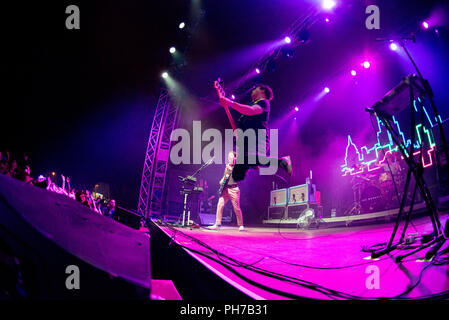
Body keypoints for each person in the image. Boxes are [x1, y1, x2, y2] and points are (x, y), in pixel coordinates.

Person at [214, 82, 292, 181]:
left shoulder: (263, 102)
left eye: (256, 89)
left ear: (263, 91)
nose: (253, 90)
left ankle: (282, 162)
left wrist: (230, 103)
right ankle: (255, 160)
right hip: (247, 143)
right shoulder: (251, 104)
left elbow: (251, 111)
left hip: (258, 140)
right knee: (237, 174)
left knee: (248, 159)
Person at [208, 151, 245, 231]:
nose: (229, 158)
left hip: (234, 189)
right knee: (220, 205)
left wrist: (231, 170)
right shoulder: (227, 166)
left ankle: (240, 224)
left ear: (235, 158)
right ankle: (217, 224)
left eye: (231, 157)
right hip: (225, 189)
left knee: (236, 208)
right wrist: (222, 179)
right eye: (228, 157)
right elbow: (225, 177)